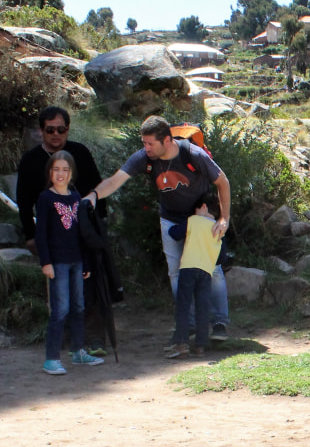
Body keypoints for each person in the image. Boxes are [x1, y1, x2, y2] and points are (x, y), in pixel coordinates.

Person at [86, 116, 231, 341]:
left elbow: (223, 182)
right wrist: (94, 195)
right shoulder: (145, 158)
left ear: (167, 140)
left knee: (211, 269)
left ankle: (220, 322)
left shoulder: (193, 154)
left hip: (201, 215)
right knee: (175, 272)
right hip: (170, 219)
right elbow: (116, 180)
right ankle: (188, 324)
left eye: (150, 143)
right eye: (144, 143)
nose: (146, 148)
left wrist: (224, 218)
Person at [17, 106, 109, 356]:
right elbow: (24, 202)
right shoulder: (30, 161)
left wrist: (98, 226)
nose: (56, 134)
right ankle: (65, 339)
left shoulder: (79, 152)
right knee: (59, 288)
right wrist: (30, 235)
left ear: (67, 129)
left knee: (90, 284)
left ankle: (93, 338)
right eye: (50, 130)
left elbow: (98, 189)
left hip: (84, 231)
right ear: (41, 131)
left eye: (61, 129)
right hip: (51, 236)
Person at [35, 150, 105, 374]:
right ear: (50, 172)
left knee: (78, 307)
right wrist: (45, 262)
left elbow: (81, 234)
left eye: (65, 169)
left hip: (76, 261)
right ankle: (51, 358)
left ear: (72, 172)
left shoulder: (76, 197)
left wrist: (85, 263)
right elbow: (41, 234)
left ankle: (78, 352)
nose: (61, 173)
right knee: (60, 310)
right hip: (58, 263)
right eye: (56, 169)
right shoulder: (46, 198)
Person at [166, 193, 223, 359]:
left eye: (196, 209)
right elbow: (222, 256)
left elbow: (174, 233)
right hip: (206, 271)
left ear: (203, 207)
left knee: (184, 305)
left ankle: (182, 343)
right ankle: (200, 346)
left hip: (188, 267)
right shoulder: (219, 229)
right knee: (202, 307)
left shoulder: (193, 220)